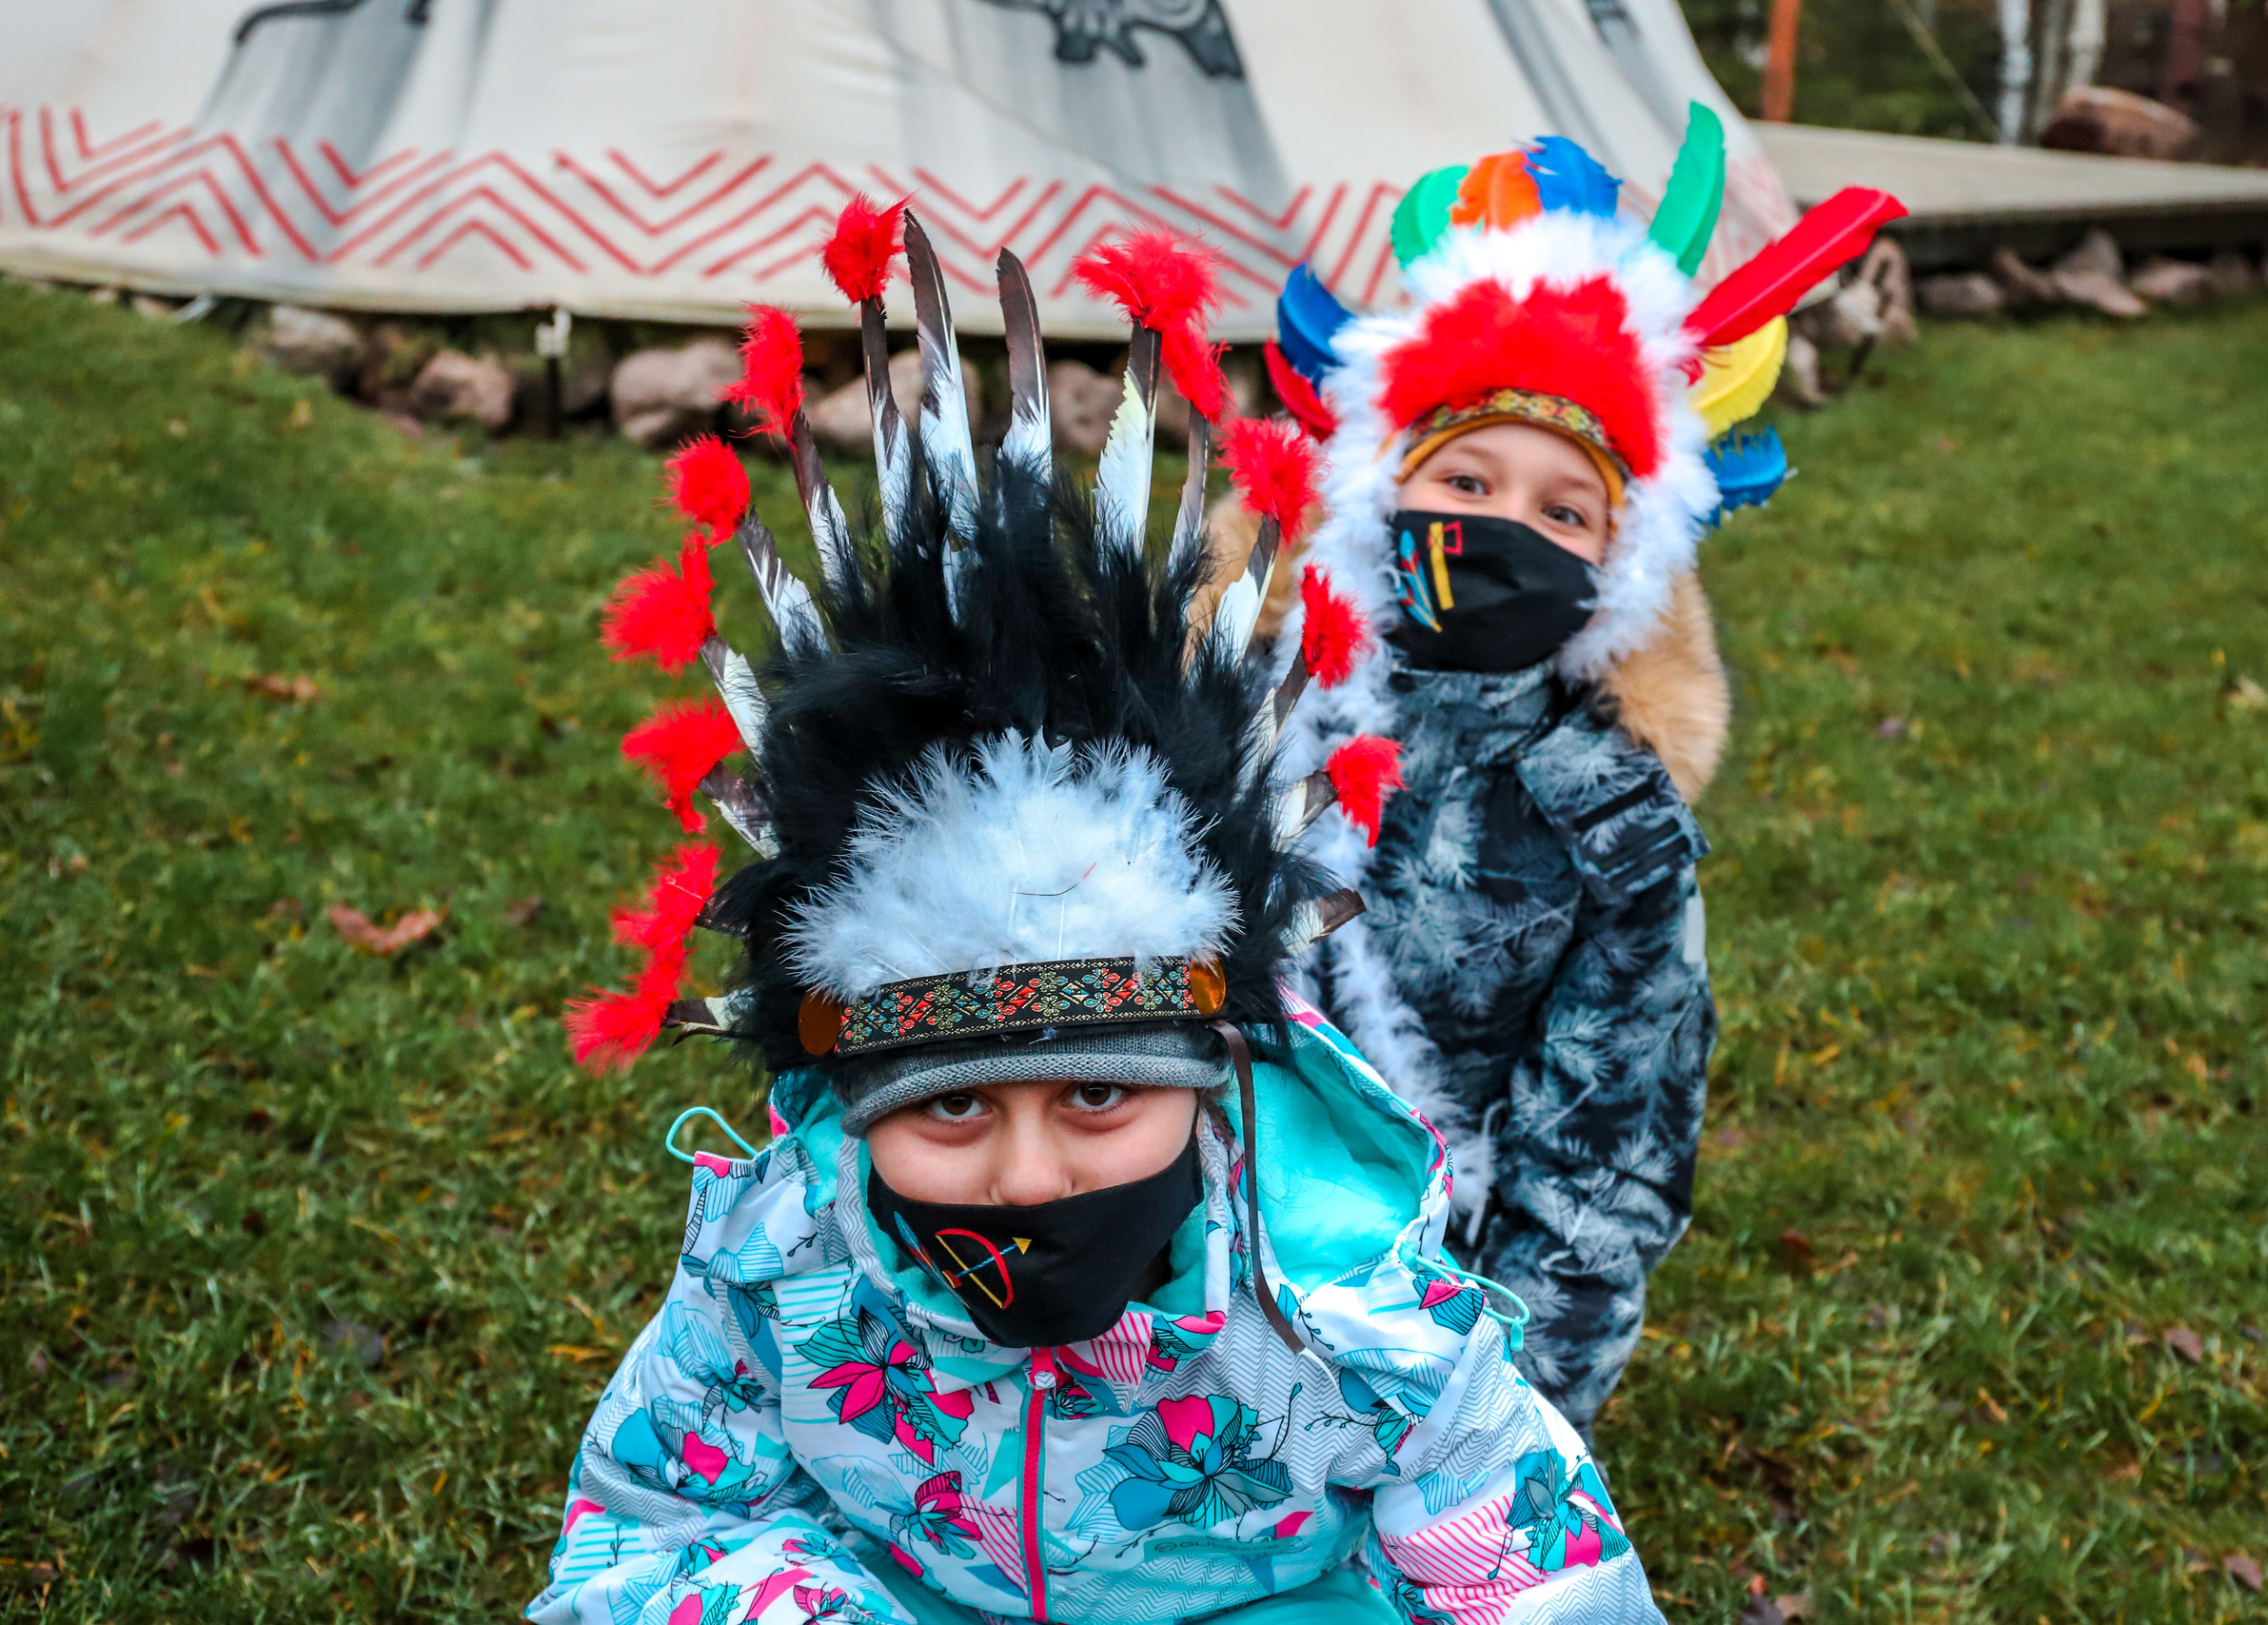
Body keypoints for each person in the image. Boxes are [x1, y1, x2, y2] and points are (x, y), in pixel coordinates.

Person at [529, 205, 1668, 1625]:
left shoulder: (1357, 1320)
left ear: (1211, 1068)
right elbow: (650, 1528)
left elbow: (1541, 1585)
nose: (1027, 1180)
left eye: (1096, 1091)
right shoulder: (775, 1270)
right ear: (849, 1090)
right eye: (951, 1105)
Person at [1265, 131, 1903, 1429]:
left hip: (1438, 1323)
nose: (1501, 527)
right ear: (1377, 494)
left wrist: (1505, 1416)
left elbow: (1604, 1155)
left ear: (1618, 569)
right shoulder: (1243, 727)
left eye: (1564, 511)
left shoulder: (1609, 820)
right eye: (1465, 479)